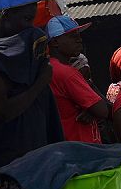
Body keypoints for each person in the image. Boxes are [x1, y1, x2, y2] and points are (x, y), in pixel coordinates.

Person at [0, 3, 64, 170]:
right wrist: (41, 81)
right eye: (26, 19)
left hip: (41, 154)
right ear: (6, 11)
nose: (30, 26)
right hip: (12, 164)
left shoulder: (25, 45)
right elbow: (5, 111)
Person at [46, 16, 109, 144]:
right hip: (81, 145)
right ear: (55, 42)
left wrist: (91, 110)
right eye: (72, 36)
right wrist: (93, 108)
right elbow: (103, 110)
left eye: (78, 35)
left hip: (64, 142)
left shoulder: (49, 68)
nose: (79, 40)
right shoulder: (67, 73)